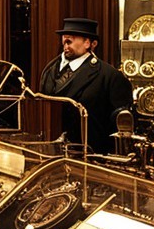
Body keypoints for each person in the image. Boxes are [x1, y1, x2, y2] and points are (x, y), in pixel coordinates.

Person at [38, 17, 132, 154]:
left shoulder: (109, 77)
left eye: (72, 37)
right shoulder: (49, 70)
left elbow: (119, 128)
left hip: (89, 157)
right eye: (64, 37)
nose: (66, 40)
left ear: (87, 43)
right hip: (51, 155)